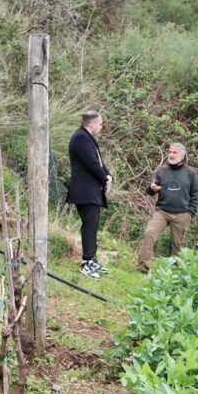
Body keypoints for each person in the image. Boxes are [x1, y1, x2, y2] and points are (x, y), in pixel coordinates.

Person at [137, 142, 198, 272]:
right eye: (170, 152)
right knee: (149, 233)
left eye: (174, 152)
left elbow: (195, 194)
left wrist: (190, 213)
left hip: (182, 213)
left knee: (178, 245)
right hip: (162, 212)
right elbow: (151, 190)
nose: (171, 155)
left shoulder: (190, 173)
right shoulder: (161, 170)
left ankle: (177, 272)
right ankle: (143, 267)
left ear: (182, 155)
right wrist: (151, 188)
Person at [66, 110, 112, 279]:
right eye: (100, 124)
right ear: (92, 124)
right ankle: (86, 262)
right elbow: (91, 163)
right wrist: (104, 178)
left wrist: (108, 176)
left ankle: (92, 258)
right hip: (84, 190)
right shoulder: (80, 138)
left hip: (91, 190)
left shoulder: (87, 138)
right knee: (89, 225)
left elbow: (99, 161)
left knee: (92, 225)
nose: (101, 127)